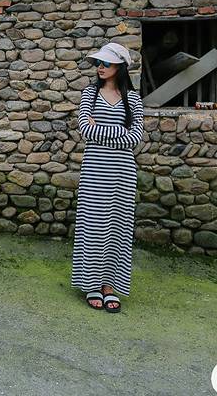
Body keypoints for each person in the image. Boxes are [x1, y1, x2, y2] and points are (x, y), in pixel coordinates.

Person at [70, 42, 144, 313]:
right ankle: (91, 284)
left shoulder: (132, 99)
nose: (100, 67)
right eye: (99, 63)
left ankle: (109, 286)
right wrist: (118, 133)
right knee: (93, 227)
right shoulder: (90, 94)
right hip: (94, 172)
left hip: (123, 173)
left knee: (117, 229)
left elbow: (135, 138)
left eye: (106, 63)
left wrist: (101, 129)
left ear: (120, 67)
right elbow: (85, 130)